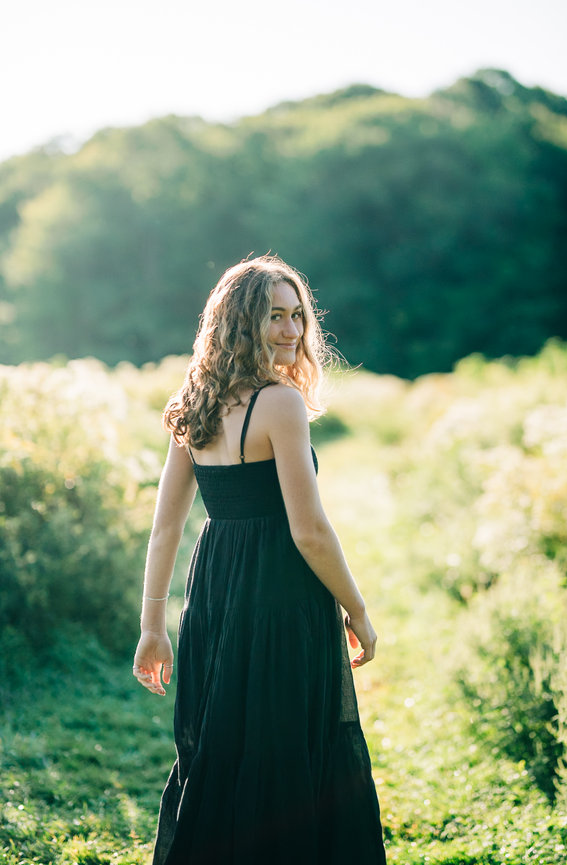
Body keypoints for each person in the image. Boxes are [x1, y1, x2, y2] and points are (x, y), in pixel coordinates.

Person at [133, 255, 387, 864]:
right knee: (286, 752)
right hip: (281, 592)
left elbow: (167, 527)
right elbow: (311, 532)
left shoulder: (193, 400)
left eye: (297, 315)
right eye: (275, 315)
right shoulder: (280, 403)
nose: (292, 330)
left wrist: (152, 628)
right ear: (240, 321)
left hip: (215, 590)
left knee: (226, 749)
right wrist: (357, 609)